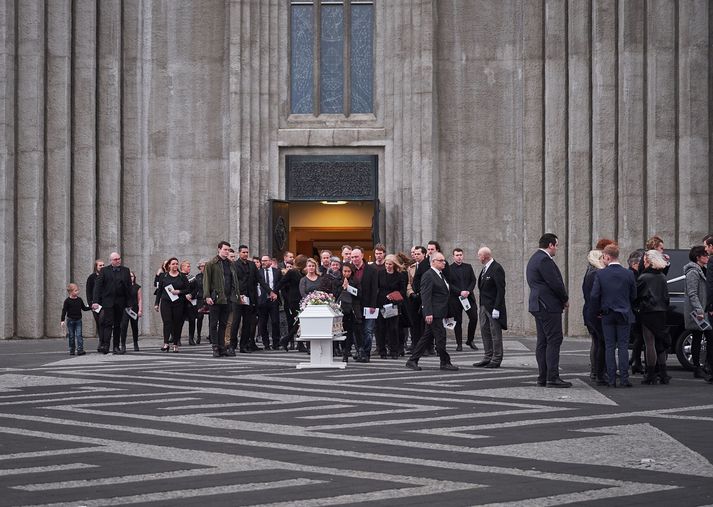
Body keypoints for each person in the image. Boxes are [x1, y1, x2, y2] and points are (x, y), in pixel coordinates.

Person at [526, 233, 571, 387]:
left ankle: (543, 377)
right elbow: (555, 282)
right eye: (556, 245)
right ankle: (552, 377)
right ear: (550, 245)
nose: (557, 249)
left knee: (543, 341)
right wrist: (564, 299)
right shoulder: (545, 259)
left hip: (538, 305)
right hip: (548, 305)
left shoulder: (534, 258)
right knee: (554, 339)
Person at [591, 243, 637, 388]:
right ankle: (624, 378)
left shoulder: (600, 274)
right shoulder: (628, 273)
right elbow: (634, 294)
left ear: (607, 256)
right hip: (624, 313)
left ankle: (611, 379)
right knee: (623, 346)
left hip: (607, 313)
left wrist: (597, 311)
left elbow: (594, 295)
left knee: (609, 346)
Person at [405, 252, 458, 371]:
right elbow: (425, 295)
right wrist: (428, 312)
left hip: (440, 311)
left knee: (427, 337)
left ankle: (412, 360)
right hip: (434, 312)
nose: (444, 262)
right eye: (441, 260)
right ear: (433, 262)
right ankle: (445, 362)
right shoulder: (429, 275)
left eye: (444, 260)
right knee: (440, 337)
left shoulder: (440, 274)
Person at [636, 250, 671, 384]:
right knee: (660, 342)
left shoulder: (644, 277)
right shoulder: (662, 276)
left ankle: (650, 374)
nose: (643, 262)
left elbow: (636, 295)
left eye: (645, 260)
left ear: (649, 261)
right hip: (661, 312)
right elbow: (666, 297)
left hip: (648, 312)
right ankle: (663, 374)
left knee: (649, 343)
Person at [204, 241, 240, 358]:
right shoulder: (211, 264)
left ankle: (222, 347)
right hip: (216, 298)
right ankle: (215, 347)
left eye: (228, 250)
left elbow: (234, 281)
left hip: (228, 298)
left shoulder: (231, 264)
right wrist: (207, 296)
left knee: (224, 324)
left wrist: (236, 295)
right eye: (225, 249)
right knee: (214, 324)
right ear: (219, 249)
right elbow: (206, 281)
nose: (227, 252)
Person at [92, 252, 132, 355]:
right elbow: (98, 286)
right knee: (108, 324)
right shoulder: (104, 271)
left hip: (120, 301)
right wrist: (95, 301)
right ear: (111, 261)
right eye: (115, 259)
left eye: (119, 259)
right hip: (108, 302)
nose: (118, 260)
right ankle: (105, 345)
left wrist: (129, 302)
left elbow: (128, 288)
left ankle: (116, 346)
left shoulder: (125, 270)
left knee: (118, 325)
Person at [474, 246, 507, 368]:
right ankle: (488, 356)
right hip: (483, 306)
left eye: (479, 255)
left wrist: (497, 307)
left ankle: (496, 358)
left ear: (484, 256)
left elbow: (501, 290)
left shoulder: (496, 268)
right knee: (485, 332)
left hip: (493, 307)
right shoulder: (485, 269)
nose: (478, 257)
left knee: (495, 334)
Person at [684, 245, 712, 382]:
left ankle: (703, 366)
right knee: (697, 337)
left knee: (703, 337)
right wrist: (699, 309)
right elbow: (692, 293)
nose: (707, 257)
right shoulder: (693, 272)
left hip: (703, 309)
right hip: (698, 311)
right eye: (705, 255)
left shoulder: (702, 270)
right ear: (698, 257)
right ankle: (697, 367)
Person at [155, 257, 192, 352]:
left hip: (178, 303)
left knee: (177, 323)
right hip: (166, 302)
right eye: (173, 264)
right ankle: (166, 343)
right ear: (169, 265)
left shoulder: (182, 276)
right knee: (167, 322)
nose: (175, 265)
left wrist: (179, 291)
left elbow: (188, 289)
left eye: (176, 264)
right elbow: (159, 291)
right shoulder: (164, 276)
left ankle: (175, 344)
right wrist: (156, 303)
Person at [581, 249, 606, 385]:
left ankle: (595, 371)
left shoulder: (589, 273)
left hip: (589, 311)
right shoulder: (597, 273)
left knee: (596, 342)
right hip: (596, 312)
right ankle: (599, 372)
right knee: (600, 342)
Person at [351, 246, 379, 362]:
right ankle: (360, 351)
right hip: (355, 306)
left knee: (368, 330)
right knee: (357, 331)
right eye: (352, 257)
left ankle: (366, 353)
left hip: (368, 305)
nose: (354, 259)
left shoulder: (371, 270)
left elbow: (375, 289)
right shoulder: (349, 269)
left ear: (362, 256)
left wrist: (373, 305)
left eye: (356, 256)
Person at [377, 254, 407, 359]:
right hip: (381, 303)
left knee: (393, 328)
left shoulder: (400, 276)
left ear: (394, 265)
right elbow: (377, 288)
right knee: (381, 328)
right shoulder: (380, 274)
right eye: (386, 264)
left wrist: (394, 295)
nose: (388, 266)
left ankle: (394, 351)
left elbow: (403, 290)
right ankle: (382, 351)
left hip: (394, 304)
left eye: (390, 264)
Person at [449, 248, 478, 351]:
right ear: (453, 256)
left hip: (468, 297)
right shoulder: (449, 268)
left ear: (463, 255)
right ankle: (459, 344)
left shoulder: (468, 267)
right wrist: (460, 292)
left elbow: (473, 280)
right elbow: (449, 284)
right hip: (456, 299)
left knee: (474, 318)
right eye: (457, 255)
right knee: (458, 321)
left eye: (460, 255)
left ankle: (470, 340)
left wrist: (468, 291)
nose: (459, 257)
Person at [232, 245, 259, 354]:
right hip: (238, 298)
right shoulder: (234, 265)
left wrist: (270, 291)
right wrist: (239, 295)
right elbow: (234, 282)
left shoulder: (252, 265)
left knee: (247, 323)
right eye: (243, 252)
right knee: (236, 322)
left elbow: (259, 279)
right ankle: (232, 345)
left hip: (249, 298)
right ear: (239, 253)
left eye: (247, 252)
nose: (245, 254)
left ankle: (244, 345)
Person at [277, 254, 307, 351]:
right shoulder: (292, 272)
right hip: (294, 300)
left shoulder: (303, 273)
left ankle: (294, 342)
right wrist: (273, 292)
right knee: (298, 322)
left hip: (302, 300)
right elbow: (281, 283)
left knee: (300, 322)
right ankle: (288, 340)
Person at [334, 262, 362, 362]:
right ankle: (344, 352)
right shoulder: (337, 280)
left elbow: (359, 294)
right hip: (341, 309)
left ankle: (352, 351)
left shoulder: (356, 280)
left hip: (352, 309)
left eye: (349, 271)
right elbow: (335, 295)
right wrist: (342, 287)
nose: (347, 273)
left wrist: (349, 288)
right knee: (343, 332)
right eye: (345, 271)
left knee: (352, 332)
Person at [256, 254, 282, 350]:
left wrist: (275, 293)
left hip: (273, 300)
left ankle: (276, 343)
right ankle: (266, 343)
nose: (263, 262)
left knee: (275, 321)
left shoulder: (277, 272)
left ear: (270, 261)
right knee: (263, 323)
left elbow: (280, 283)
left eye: (266, 260)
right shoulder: (258, 272)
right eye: (262, 261)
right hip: (262, 300)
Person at [61, 283, 91, 355]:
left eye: (77, 290)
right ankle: (72, 349)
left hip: (78, 320)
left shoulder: (79, 300)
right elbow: (64, 310)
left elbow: (83, 308)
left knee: (79, 335)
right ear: (70, 292)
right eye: (76, 290)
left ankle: (80, 349)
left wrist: (91, 307)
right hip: (70, 320)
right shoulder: (67, 301)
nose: (78, 292)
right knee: (71, 336)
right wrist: (62, 320)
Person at [406, 246, 426, 352]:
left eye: (418, 254)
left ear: (424, 254)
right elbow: (408, 282)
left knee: (423, 323)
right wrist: (411, 293)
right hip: (413, 298)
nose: (416, 255)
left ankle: (425, 346)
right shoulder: (411, 267)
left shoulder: (427, 266)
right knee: (414, 323)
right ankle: (414, 344)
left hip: (423, 297)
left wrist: (421, 294)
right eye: (414, 253)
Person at [119, 271, 143, 352]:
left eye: (132, 276)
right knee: (123, 326)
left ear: (134, 277)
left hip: (134, 308)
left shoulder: (137, 287)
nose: (130, 278)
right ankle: (123, 344)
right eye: (129, 276)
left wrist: (140, 310)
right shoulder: (123, 287)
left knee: (134, 327)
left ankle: (135, 343)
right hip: (125, 309)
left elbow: (139, 299)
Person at [85, 259, 104, 341]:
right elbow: (88, 291)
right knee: (98, 322)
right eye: (100, 265)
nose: (102, 267)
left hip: (104, 303)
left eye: (103, 265)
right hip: (95, 304)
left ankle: (104, 341)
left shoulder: (106, 276)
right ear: (96, 267)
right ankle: (101, 340)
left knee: (102, 320)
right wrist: (90, 303)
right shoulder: (91, 277)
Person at [181, 260, 198, 346]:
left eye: (189, 266)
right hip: (181, 302)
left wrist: (191, 295)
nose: (189, 268)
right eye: (187, 266)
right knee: (179, 321)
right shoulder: (179, 277)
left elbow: (196, 289)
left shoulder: (192, 278)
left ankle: (191, 338)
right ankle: (177, 339)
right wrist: (184, 295)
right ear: (182, 267)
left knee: (192, 320)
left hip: (191, 302)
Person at [192, 259, 207, 344]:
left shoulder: (211, 275)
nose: (203, 268)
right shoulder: (197, 276)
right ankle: (198, 335)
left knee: (211, 317)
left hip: (209, 298)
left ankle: (211, 336)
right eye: (202, 266)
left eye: (205, 266)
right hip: (200, 298)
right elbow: (195, 288)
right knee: (200, 317)